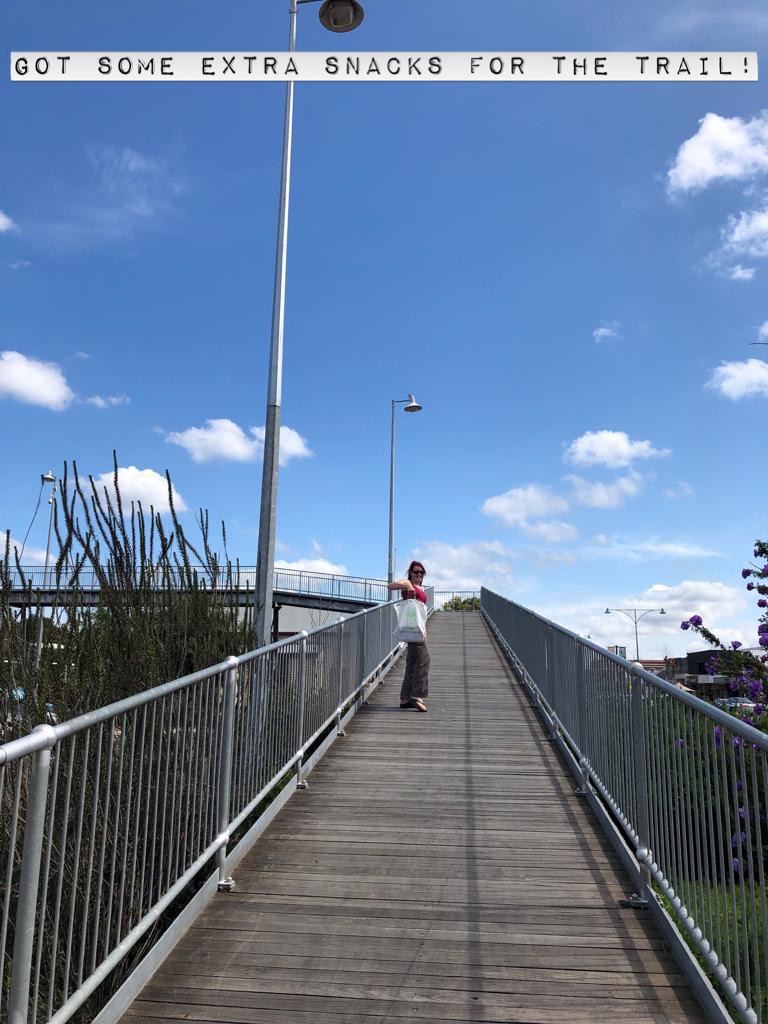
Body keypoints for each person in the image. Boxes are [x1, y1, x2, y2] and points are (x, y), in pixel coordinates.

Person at [387, 560, 430, 712]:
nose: (419, 574)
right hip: (412, 627)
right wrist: (405, 585)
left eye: (421, 572)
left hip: (416, 628)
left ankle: (404, 699)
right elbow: (390, 586)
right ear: (410, 572)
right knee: (424, 659)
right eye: (416, 571)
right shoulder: (408, 583)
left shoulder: (420, 588)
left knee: (412, 662)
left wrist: (423, 629)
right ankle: (416, 695)